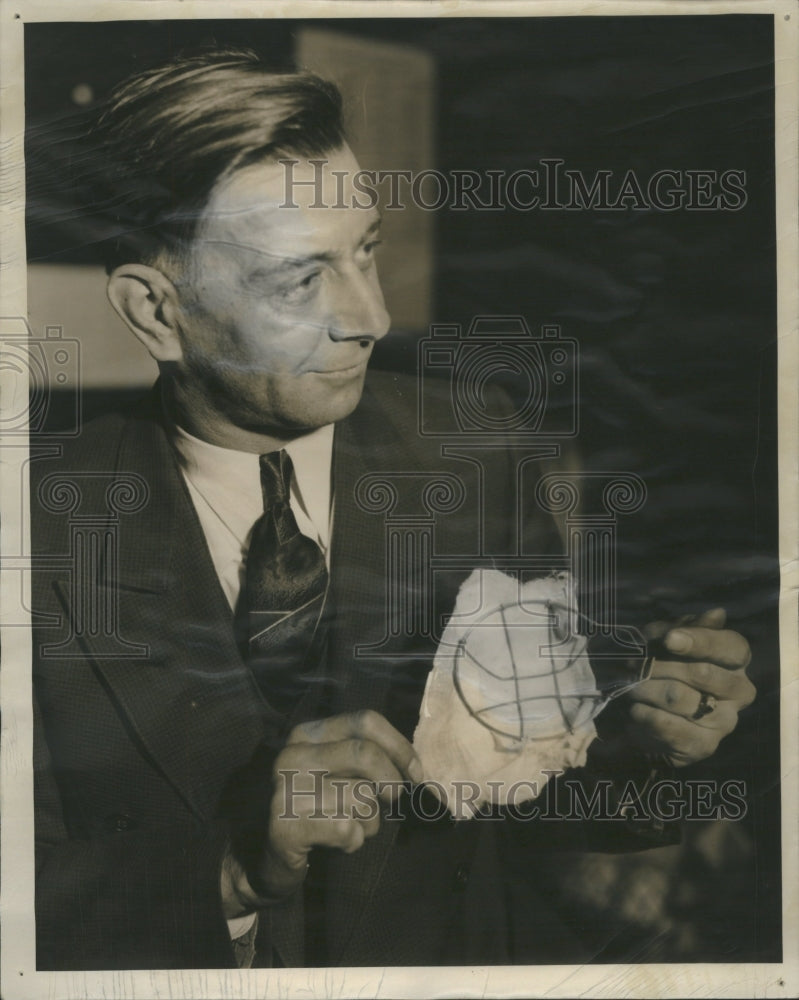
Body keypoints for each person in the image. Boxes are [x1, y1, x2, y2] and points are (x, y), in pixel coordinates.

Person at [30, 48, 755, 971]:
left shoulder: (475, 447)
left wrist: (641, 744)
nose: (369, 315)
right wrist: (231, 874)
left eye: (364, 250)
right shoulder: (36, 526)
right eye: (301, 280)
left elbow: (520, 803)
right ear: (157, 313)